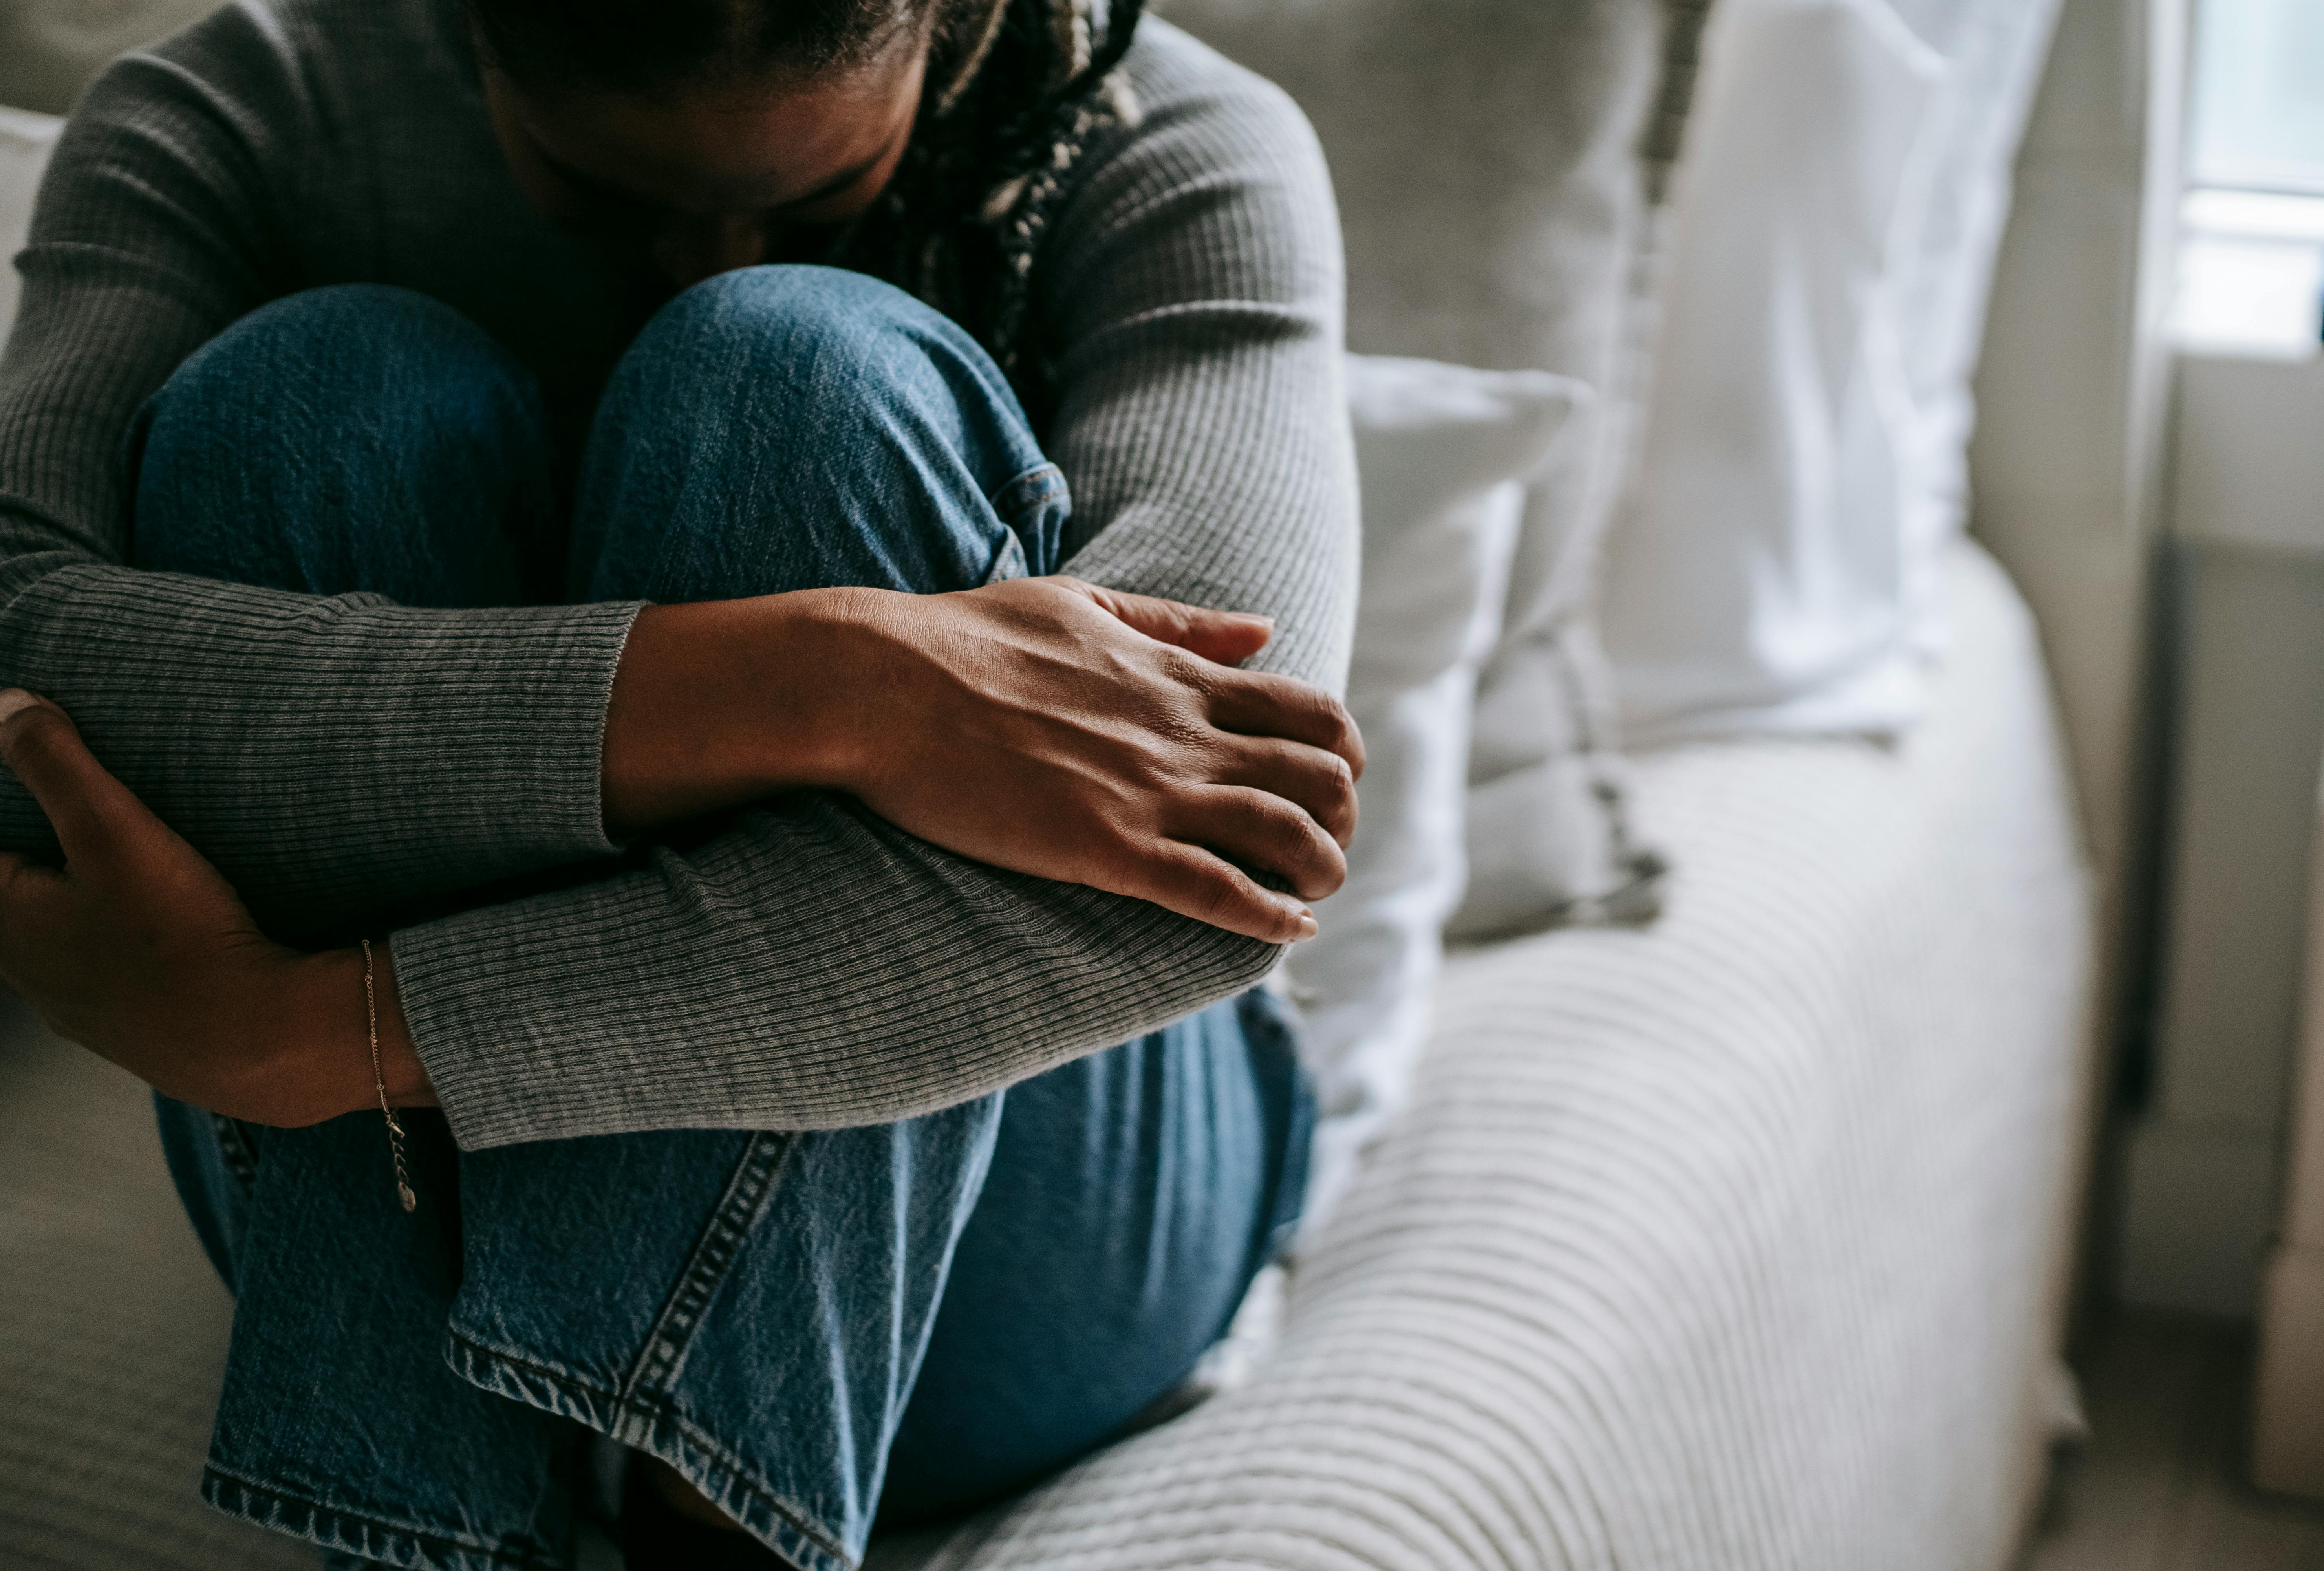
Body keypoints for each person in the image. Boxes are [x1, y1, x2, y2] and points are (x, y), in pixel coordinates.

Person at [0, 0, 1358, 1564]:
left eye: (821, 194)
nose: (702, 256)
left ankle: (716, 1523)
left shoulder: (1167, 146)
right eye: (606, 198)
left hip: (1017, 1222)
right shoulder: (244, 107)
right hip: (403, 1194)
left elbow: (1229, 874)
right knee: (307, 403)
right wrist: (837, 678)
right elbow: (18, 665)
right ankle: (431, 1514)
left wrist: (312, 1034)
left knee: (799, 372)